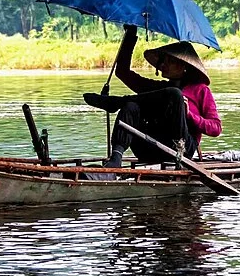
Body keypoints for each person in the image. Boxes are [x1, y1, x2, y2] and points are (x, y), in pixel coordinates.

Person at [84, 24, 221, 168]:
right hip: (149, 147)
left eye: (171, 61)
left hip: (180, 150)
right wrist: (130, 35)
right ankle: (116, 157)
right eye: (163, 61)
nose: (163, 65)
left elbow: (216, 128)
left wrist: (189, 115)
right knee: (131, 106)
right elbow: (122, 72)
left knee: (175, 94)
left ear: (184, 66)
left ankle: (117, 102)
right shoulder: (157, 89)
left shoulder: (201, 90)